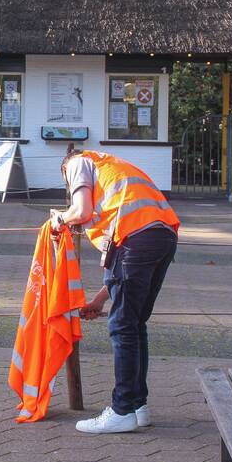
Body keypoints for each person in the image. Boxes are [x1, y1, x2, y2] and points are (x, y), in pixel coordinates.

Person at [49, 148, 179, 434]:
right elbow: (121, 262)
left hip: (136, 239)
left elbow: (81, 211)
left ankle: (122, 411)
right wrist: (99, 299)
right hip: (163, 236)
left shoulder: (78, 162)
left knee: (122, 326)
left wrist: (61, 219)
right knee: (134, 324)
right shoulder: (114, 168)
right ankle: (137, 407)